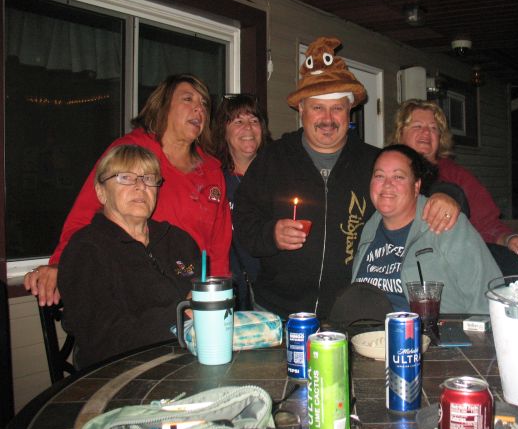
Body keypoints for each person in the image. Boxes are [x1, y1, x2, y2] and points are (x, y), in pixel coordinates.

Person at [233, 36, 461, 319]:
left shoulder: (373, 161)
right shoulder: (273, 158)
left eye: (337, 108)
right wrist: (271, 234)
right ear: (301, 109)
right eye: (317, 107)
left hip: (349, 313)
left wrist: (446, 195)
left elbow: (419, 187)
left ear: (349, 110)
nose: (328, 119)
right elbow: (243, 219)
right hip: (277, 311)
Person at [25, 74, 232, 306]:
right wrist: (60, 263)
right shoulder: (130, 153)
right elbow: (84, 214)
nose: (199, 108)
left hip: (193, 292)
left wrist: (218, 295)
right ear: (163, 106)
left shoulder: (212, 170)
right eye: (188, 99)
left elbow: (218, 247)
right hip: (135, 290)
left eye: (204, 103)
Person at [58, 145, 200, 369]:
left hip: (191, 358)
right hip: (124, 371)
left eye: (148, 178)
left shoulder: (178, 240)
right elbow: (102, 339)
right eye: (125, 177)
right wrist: (182, 314)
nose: (140, 186)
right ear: (101, 192)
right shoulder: (86, 251)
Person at [391, 99, 518, 273]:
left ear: (440, 137)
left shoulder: (457, 176)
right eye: (418, 126)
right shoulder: (384, 171)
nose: (426, 132)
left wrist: (510, 239)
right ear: (400, 133)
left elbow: (488, 225)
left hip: (444, 271)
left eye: (433, 128)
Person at [352, 144, 502, 314]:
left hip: (435, 329)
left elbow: (489, 296)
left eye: (398, 177)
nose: (387, 184)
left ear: (416, 186)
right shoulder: (369, 228)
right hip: (370, 329)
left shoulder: (445, 223)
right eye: (379, 176)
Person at [212, 93, 271, 310]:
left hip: (274, 289)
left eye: (254, 120)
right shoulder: (213, 179)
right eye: (238, 121)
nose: (248, 128)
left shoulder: (278, 175)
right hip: (232, 290)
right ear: (224, 131)